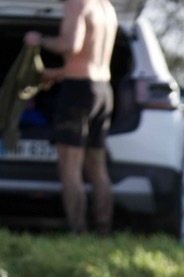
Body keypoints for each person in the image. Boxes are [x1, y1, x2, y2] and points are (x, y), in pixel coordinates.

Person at [24, 0, 117, 234]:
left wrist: (38, 40)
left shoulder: (77, 3)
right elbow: (86, 60)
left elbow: (71, 45)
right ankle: (103, 230)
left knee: (69, 167)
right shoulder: (106, 7)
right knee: (97, 167)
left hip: (78, 92)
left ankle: (78, 231)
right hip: (103, 90)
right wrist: (55, 74)